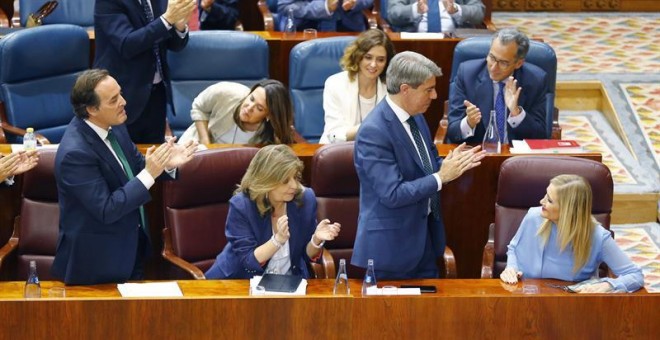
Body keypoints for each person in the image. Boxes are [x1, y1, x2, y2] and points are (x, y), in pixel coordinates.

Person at [51, 69, 197, 285]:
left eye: (120, 93)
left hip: (131, 246)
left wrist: (166, 164)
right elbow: (106, 209)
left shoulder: (115, 126)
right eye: (113, 100)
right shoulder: (75, 153)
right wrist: (150, 172)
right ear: (91, 109)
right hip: (97, 263)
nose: (124, 101)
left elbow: (137, 166)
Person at [351, 51, 486, 280]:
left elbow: (429, 165)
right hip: (390, 250)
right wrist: (441, 177)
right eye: (428, 89)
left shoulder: (417, 117)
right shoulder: (373, 132)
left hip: (425, 240)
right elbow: (392, 193)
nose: (434, 96)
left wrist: (452, 164)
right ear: (405, 89)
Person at [205, 144, 341, 279]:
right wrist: (277, 241)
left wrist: (316, 240)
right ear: (266, 182)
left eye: (295, 178)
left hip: (288, 284)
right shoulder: (242, 206)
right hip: (239, 282)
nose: (294, 185)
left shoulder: (305, 199)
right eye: (285, 181)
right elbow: (248, 261)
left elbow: (305, 255)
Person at [501, 175, 644, 293]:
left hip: (571, 309)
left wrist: (608, 285)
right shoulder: (533, 217)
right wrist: (511, 268)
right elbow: (513, 248)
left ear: (567, 210)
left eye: (549, 200)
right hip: (527, 300)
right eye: (546, 195)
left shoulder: (598, 237)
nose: (541, 201)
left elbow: (635, 276)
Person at [94, 0, 196, 144]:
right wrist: (167, 20)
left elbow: (171, 44)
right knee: (123, 160)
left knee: (155, 157)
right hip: (121, 95)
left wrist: (179, 26)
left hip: (156, 93)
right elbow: (127, 44)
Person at [446, 27, 548, 144]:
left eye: (503, 63)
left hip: (515, 156)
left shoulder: (535, 80)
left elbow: (540, 136)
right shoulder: (467, 74)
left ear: (518, 63)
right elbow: (452, 132)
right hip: (478, 155)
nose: (493, 68)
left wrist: (517, 113)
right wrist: (469, 122)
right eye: (492, 58)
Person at [320, 29, 396, 144]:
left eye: (380, 60)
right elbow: (334, 134)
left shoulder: (391, 88)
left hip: (378, 152)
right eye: (368, 57)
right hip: (339, 151)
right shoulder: (335, 83)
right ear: (358, 56)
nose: (373, 64)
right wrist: (373, 127)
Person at [177, 80, 296, 145]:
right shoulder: (226, 92)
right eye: (251, 98)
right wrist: (205, 143)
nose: (249, 108)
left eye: (259, 108)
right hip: (198, 148)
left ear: (269, 115)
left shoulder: (270, 131)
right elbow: (199, 106)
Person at [387, 0, 484, 33]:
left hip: (455, 42)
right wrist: (414, 9)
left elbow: (479, 12)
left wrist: (457, 10)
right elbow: (393, 13)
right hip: (414, 43)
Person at [277, 0, 372, 32]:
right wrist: (324, 7)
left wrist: (354, 3)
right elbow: (284, 6)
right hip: (306, 29)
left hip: (350, 28)